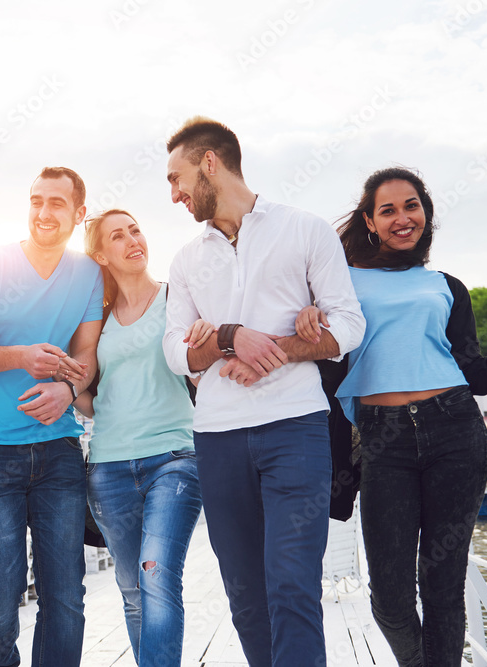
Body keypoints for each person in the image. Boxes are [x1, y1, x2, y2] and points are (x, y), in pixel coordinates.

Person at [295, 166, 487, 666]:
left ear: (426, 212)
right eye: (388, 209)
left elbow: (475, 373)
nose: (402, 218)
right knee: (390, 599)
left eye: (411, 205)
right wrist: (309, 315)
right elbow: (319, 353)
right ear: (369, 222)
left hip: (454, 430)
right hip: (382, 442)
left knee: (442, 588)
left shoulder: (446, 286)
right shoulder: (340, 283)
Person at [161, 117, 366, 667]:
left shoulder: (306, 230)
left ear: (210, 163)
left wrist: (272, 349)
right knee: (246, 597)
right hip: (217, 438)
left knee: (292, 585)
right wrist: (230, 339)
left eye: (176, 178)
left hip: (296, 429)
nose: (174, 194)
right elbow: (176, 352)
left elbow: (347, 326)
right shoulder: (185, 260)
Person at [0, 167, 104, 667]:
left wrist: (68, 390)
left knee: (65, 594)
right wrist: (20, 357)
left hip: (60, 451)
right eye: (36, 201)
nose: (44, 212)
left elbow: (86, 355)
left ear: (78, 213)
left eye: (56, 203)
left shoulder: (88, 274)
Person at [75, 209, 204, 666]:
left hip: (174, 457)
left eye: (135, 229)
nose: (133, 240)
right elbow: (91, 396)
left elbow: (201, 366)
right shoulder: (99, 321)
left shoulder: (178, 300)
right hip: (108, 467)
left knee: (158, 574)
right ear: (100, 254)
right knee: (132, 590)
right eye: (118, 235)